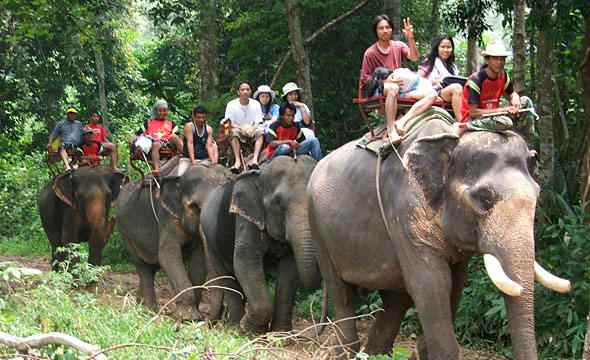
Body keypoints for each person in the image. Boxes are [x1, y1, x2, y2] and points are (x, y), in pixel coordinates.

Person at [361, 15, 430, 143]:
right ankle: (391, 129)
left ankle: (402, 121)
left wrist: (410, 39)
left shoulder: (398, 46)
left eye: (387, 27)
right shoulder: (370, 53)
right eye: (381, 28)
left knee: (432, 95)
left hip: (401, 88)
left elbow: (414, 57)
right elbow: (365, 78)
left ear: (392, 29)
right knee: (393, 87)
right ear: (376, 31)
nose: (385, 31)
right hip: (382, 88)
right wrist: (384, 82)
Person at [456, 40, 537, 147]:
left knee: (526, 101)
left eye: (502, 59)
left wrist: (515, 98)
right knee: (506, 123)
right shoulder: (476, 81)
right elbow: (473, 112)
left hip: (495, 116)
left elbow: (512, 93)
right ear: (487, 60)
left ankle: (528, 144)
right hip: (476, 118)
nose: (500, 62)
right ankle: (466, 126)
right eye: (495, 59)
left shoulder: (503, 76)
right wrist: (503, 110)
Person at [417, 34, 463, 122]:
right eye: (443, 47)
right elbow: (417, 79)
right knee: (457, 88)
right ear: (437, 48)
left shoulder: (453, 66)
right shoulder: (429, 61)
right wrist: (433, 81)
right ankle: (461, 122)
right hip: (434, 92)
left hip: (447, 93)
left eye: (448, 47)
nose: (445, 50)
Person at [131, 100, 183, 177]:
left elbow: (178, 135)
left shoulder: (171, 123)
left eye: (164, 110)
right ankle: (157, 168)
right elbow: (138, 134)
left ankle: (187, 156)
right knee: (155, 145)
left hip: (169, 142)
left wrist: (174, 137)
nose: (162, 113)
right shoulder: (148, 123)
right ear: (156, 111)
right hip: (156, 143)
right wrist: (132, 138)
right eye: (160, 111)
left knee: (175, 137)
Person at [224, 81, 265, 172]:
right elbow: (230, 123)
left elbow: (258, 121)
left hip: (252, 130)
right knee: (234, 132)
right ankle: (237, 161)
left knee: (261, 133)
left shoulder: (256, 104)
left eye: (247, 89)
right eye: (243, 90)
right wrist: (240, 128)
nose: (245, 92)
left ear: (250, 91)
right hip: (238, 129)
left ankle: (255, 160)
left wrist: (252, 130)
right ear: (238, 92)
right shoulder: (231, 105)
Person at [178, 106, 218, 176]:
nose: (201, 120)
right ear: (194, 117)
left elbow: (209, 146)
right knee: (180, 175)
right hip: (188, 159)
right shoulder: (189, 126)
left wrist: (213, 161)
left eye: (203, 117)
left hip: (203, 159)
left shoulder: (209, 129)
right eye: (199, 117)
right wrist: (193, 161)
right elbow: (190, 143)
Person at [46, 107, 83, 172]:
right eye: (71, 113)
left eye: (74, 114)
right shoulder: (61, 123)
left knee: (80, 149)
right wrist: (50, 143)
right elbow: (53, 134)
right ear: (67, 115)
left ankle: (75, 165)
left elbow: (82, 135)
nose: (72, 115)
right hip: (65, 143)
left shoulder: (78, 124)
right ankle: (66, 165)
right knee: (62, 146)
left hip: (76, 144)